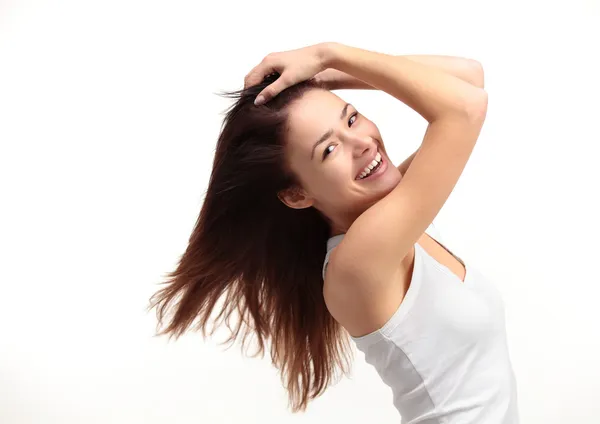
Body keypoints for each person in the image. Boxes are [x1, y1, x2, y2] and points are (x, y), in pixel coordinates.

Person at [148, 42, 519, 423]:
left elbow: (468, 78)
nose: (361, 143)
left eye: (352, 119)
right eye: (329, 150)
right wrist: (329, 54)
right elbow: (465, 108)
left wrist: (324, 77)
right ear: (296, 195)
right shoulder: (358, 261)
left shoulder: (395, 206)